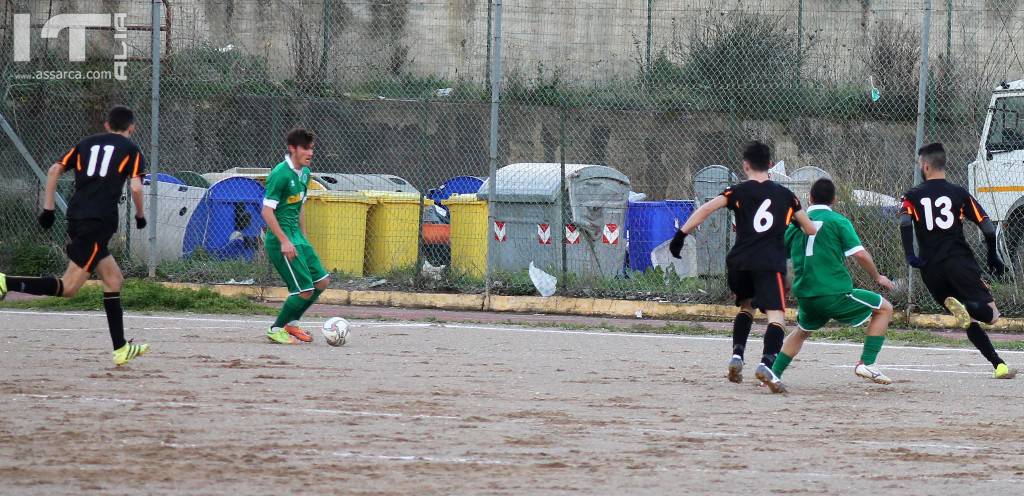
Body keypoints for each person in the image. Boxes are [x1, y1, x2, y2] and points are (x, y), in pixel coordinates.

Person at [0, 105, 149, 366]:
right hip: (98, 222)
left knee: (113, 279)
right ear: (132, 127)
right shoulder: (132, 150)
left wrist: (48, 208)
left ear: (106, 125)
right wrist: (140, 215)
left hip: (78, 216)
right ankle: (5, 282)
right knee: (69, 287)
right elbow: (136, 187)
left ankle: (121, 348)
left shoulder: (85, 143)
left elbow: (54, 170)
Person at [671, 141, 816, 387]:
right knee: (776, 317)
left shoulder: (735, 191)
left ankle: (737, 355)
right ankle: (767, 364)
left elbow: (705, 209)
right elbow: (810, 228)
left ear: (745, 165)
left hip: (739, 261)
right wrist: (791, 222)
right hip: (769, 263)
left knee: (746, 308)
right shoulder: (786, 196)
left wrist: (680, 236)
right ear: (770, 165)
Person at [766, 178, 896, 393]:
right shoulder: (838, 221)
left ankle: (773, 373)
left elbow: (779, 252)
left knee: (801, 331)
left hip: (806, 294)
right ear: (834, 200)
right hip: (833, 292)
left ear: (810, 198)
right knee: (884, 308)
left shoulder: (797, 223)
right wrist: (877, 276)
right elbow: (860, 254)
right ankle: (867, 363)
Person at [900, 142, 1016, 379]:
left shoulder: (911, 195)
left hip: (930, 269)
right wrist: (993, 255)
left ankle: (999, 364)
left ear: (925, 166)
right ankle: (972, 306)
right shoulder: (959, 193)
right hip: (959, 263)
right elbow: (988, 228)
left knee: (967, 321)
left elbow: (904, 223)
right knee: (990, 316)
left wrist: (911, 256)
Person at [262, 128, 330, 344]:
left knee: (322, 282)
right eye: (305, 148)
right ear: (293, 149)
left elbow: (299, 206)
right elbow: (266, 211)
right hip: (280, 240)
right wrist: (284, 241)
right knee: (303, 290)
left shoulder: (306, 174)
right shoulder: (280, 174)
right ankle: (276, 328)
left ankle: (292, 324)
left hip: (297, 238)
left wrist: (304, 238)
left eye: (312, 148)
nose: (310, 153)